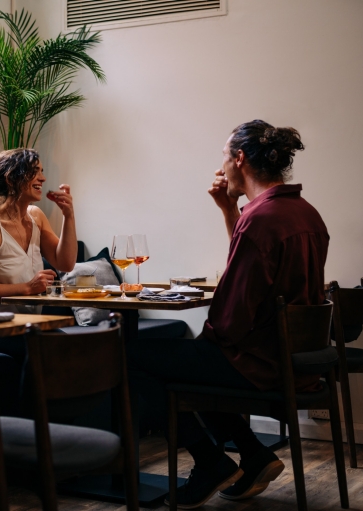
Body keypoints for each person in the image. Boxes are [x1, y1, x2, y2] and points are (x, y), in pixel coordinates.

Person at [127, 120, 328, 509]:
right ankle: (252, 454)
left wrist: (206, 343)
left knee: (130, 357)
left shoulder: (261, 219)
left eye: (224, 156)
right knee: (185, 358)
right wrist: (227, 209)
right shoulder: (304, 213)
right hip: (291, 360)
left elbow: (230, 319)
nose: (220, 166)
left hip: (259, 364)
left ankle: (210, 463)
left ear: (239, 159)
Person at [0, 148, 78, 313]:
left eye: (41, 172)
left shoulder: (36, 217)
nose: (43, 178)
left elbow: (66, 263)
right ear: (11, 179)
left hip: (28, 326)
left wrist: (69, 216)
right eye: (34, 172)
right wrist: (28, 288)